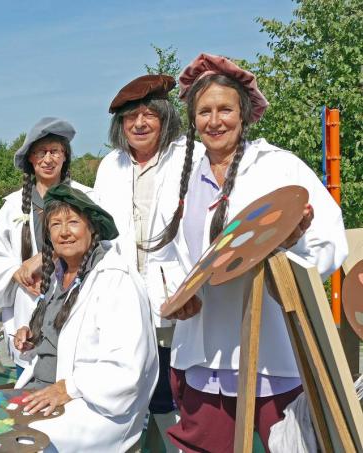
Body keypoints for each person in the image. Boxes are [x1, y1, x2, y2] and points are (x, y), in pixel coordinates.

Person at [146, 53, 347, 452]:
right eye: (204, 111)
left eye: (225, 109)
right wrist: (169, 302)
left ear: (245, 113)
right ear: (193, 118)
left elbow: (329, 237)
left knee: (292, 444)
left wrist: (291, 250)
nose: (215, 120)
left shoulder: (278, 167)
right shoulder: (176, 176)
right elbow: (161, 257)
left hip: (273, 347)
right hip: (201, 349)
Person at [94, 74, 204, 450]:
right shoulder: (111, 165)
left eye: (148, 115)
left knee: (181, 384)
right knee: (135, 382)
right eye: (130, 118)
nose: (139, 124)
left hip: (178, 291)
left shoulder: (192, 155)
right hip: (125, 291)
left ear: (164, 117)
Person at [13, 184, 158, 452]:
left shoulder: (116, 279)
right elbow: (65, 336)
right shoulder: (59, 275)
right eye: (55, 224)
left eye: (73, 222)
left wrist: (68, 388)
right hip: (46, 391)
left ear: (92, 228)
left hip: (95, 406)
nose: (64, 232)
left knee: (19, 440)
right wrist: (34, 338)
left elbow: (127, 368)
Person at [0, 117, 92, 375]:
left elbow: (102, 244)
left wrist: (46, 257)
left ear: (65, 156)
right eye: (40, 152)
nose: (48, 159)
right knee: (30, 388)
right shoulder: (12, 206)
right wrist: (15, 271)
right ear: (30, 159)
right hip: (29, 307)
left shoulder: (86, 198)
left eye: (55, 151)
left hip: (75, 302)